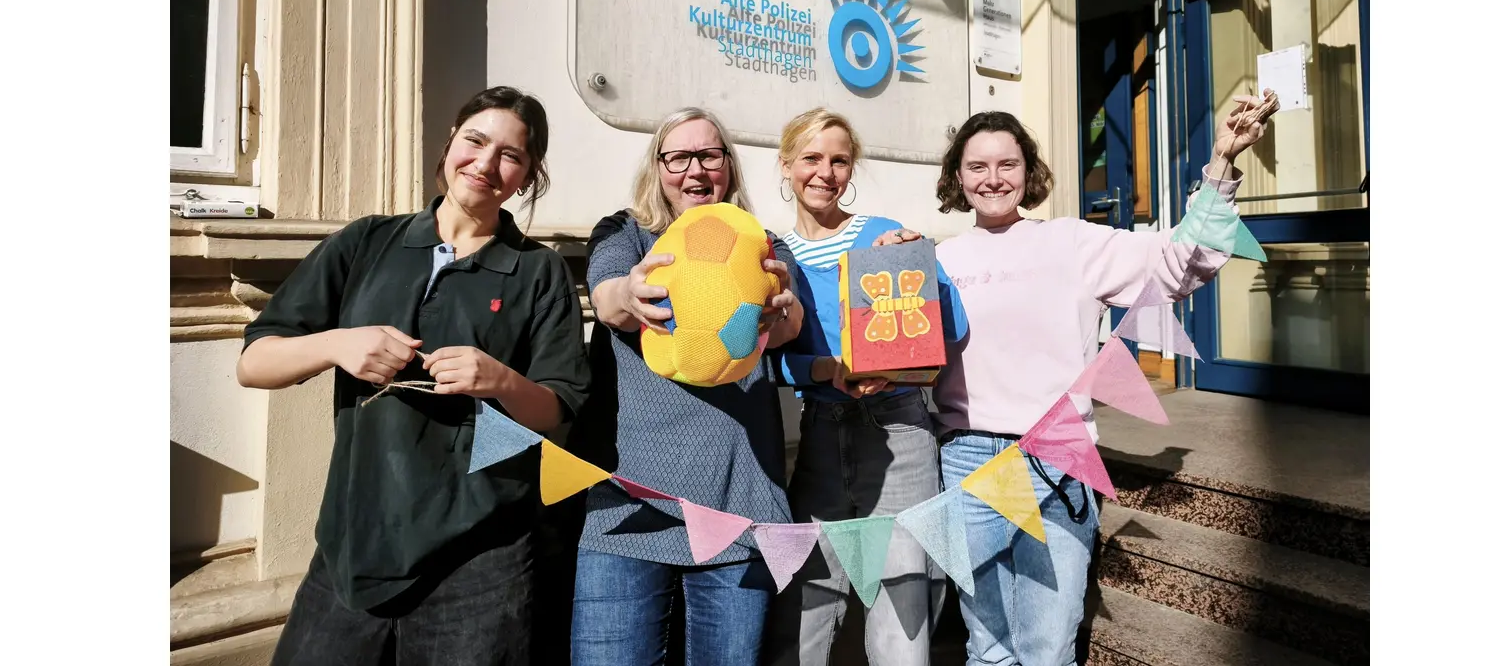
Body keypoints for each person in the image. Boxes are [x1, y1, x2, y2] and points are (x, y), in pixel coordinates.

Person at [237, 86, 592, 666]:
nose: (485, 164)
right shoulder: (368, 242)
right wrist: (337, 344)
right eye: (475, 141)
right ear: (449, 142)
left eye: (511, 155)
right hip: (357, 537)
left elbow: (558, 413)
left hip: (483, 554)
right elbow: (254, 364)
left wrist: (499, 379)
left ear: (527, 176)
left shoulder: (538, 271)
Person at [927, 96, 1277, 666]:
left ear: (1029, 170)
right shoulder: (940, 259)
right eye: (977, 166)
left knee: (1047, 648)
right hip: (967, 461)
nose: (993, 179)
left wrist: (1220, 164)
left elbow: (1181, 261)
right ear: (957, 177)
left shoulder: (1072, 242)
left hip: (1056, 460)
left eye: (1007, 164)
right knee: (987, 648)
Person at [570, 107, 807, 666]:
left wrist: (780, 314)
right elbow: (606, 296)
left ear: (728, 166)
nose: (695, 170)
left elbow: (790, 323)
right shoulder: (627, 232)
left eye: (709, 155)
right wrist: (629, 295)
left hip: (738, 506)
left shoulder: (762, 242)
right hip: (627, 505)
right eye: (679, 156)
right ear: (659, 167)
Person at [763, 108, 967, 666]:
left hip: (899, 430)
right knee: (803, 605)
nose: (824, 173)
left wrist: (918, 271)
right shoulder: (771, 255)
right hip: (821, 435)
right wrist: (823, 372)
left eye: (839, 160)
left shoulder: (882, 236)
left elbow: (953, 331)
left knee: (902, 612)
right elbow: (767, 363)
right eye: (811, 158)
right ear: (785, 164)